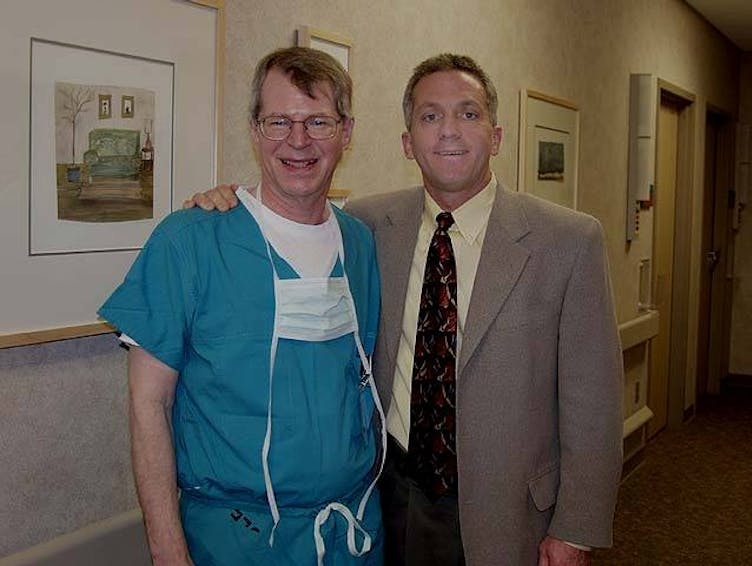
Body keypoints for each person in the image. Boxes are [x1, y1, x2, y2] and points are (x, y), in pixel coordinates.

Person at [188, 53, 623, 566]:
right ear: (407, 142)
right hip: (388, 495)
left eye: (468, 113)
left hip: (510, 512)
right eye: (430, 116)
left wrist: (575, 529)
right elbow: (293, 211)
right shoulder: (369, 225)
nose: (449, 132)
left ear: (497, 135)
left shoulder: (568, 241)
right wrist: (230, 202)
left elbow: (593, 404)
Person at [99, 47, 385, 566]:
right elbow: (148, 405)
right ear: (254, 130)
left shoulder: (360, 245)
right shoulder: (189, 242)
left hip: (354, 532)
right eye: (279, 121)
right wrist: (168, 553)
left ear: (346, 132)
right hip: (235, 539)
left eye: (318, 121)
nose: (297, 141)